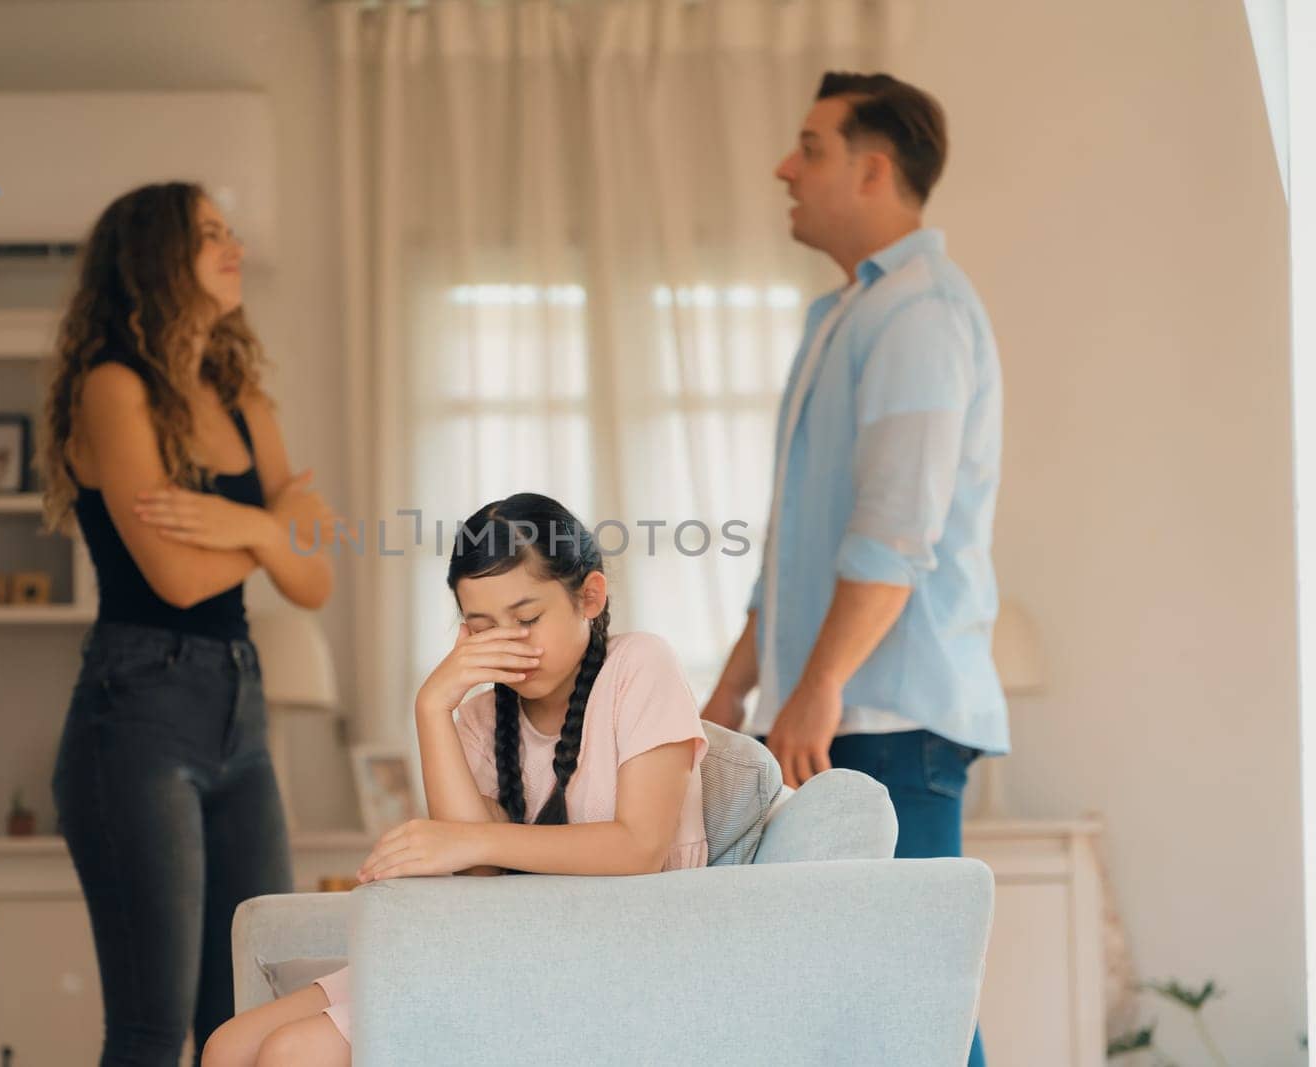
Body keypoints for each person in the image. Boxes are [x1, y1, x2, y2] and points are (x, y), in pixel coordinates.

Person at [700, 72, 1005, 1067]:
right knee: (860, 1016)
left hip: (888, 725)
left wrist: (817, 683)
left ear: (873, 170)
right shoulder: (839, 317)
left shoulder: (916, 314)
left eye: (811, 148)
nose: (785, 168)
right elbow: (799, 537)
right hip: (837, 720)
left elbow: (893, 531)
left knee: (911, 1009)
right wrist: (739, 680)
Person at [200, 493, 709, 1067]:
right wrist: (431, 705)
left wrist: (472, 839)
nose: (510, 643)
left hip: (609, 949)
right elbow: (476, 874)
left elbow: (639, 846)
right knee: (226, 1047)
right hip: (495, 939)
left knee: (295, 1052)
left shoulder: (639, 666)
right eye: (483, 627)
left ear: (589, 596)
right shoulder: (479, 717)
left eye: (528, 618)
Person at [41, 181, 338, 1067]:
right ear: (156, 258)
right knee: (150, 1026)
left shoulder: (240, 394)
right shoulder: (113, 386)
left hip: (239, 711)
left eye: (228, 229)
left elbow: (317, 575)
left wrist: (250, 529)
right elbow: (172, 576)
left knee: (247, 1011)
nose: (232, 243)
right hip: (135, 709)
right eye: (208, 233)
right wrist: (275, 530)